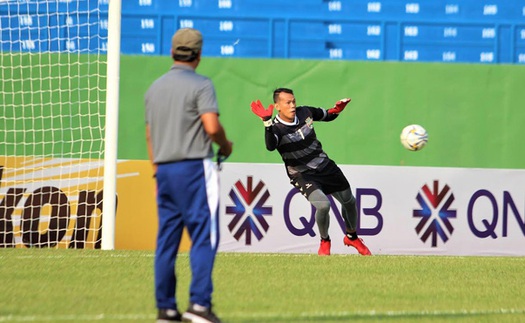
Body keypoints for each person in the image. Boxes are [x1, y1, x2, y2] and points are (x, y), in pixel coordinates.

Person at [145, 28, 233, 323]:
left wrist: (156, 169)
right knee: (204, 237)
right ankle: (198, 306)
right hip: (195, 168)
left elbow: (149, 134)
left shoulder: (154, 88)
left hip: (164, 169)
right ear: (198, 54)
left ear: (172, 52)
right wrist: (226, 143)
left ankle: (166, 308)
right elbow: (210, 126)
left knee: (167, 240)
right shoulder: (201, 84)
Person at [250, 88, 371, 257]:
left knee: (349, 202)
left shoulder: (305, 112)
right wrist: (266, 122)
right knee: (323, 205)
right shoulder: (276, 128)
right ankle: (325, 241)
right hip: (302, 174)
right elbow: (271, 146)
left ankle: (351, 236)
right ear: (277, 106)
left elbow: (326, 115)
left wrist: (336, 110)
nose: (292, 105)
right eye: (287, 103)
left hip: (325, 166)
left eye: (293, 101)